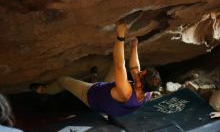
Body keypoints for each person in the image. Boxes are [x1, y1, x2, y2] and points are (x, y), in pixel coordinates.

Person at [30, 23, 162, 117]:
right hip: (110, 98)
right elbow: (134, 68)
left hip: (92, 97)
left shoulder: (126, 92)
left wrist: (120, 36)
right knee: (114, 68)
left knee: (63, 80)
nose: (138, 72)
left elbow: (119, 64)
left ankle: (45, 91)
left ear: (139, 84)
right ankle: (94, 77)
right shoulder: (148, 91)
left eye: (140, 75)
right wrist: (134, 47)